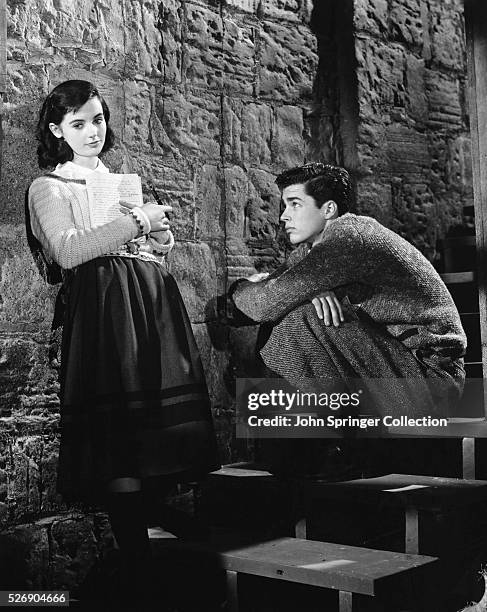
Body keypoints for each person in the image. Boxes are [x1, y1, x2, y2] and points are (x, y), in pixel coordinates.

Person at [27, 80, 219, 603]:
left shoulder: (118, 180)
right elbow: (68, 252)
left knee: (155, 421)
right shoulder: (50, 186)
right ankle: (137, 560)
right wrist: (136, 220)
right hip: (103, 310)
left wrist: (157, 235)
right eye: (78, 124)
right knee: (118, 430)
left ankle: (160, 526)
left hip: (148, 302)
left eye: (98, 120)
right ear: (57, 131)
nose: (92, 132)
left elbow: (138, 245)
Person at [231, 163, 467, 421]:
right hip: (397, 368)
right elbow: (273, 293)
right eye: (284, 206)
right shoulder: (311, 250)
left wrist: (240, 289)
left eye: (295, 204)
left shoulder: (350, 237)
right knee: (291, 313)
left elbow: (263, 303)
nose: (284, 216)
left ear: (328, 209)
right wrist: (306, 291)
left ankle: (334, 437)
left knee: (301, 319)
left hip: (430, 381)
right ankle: (316, 434)